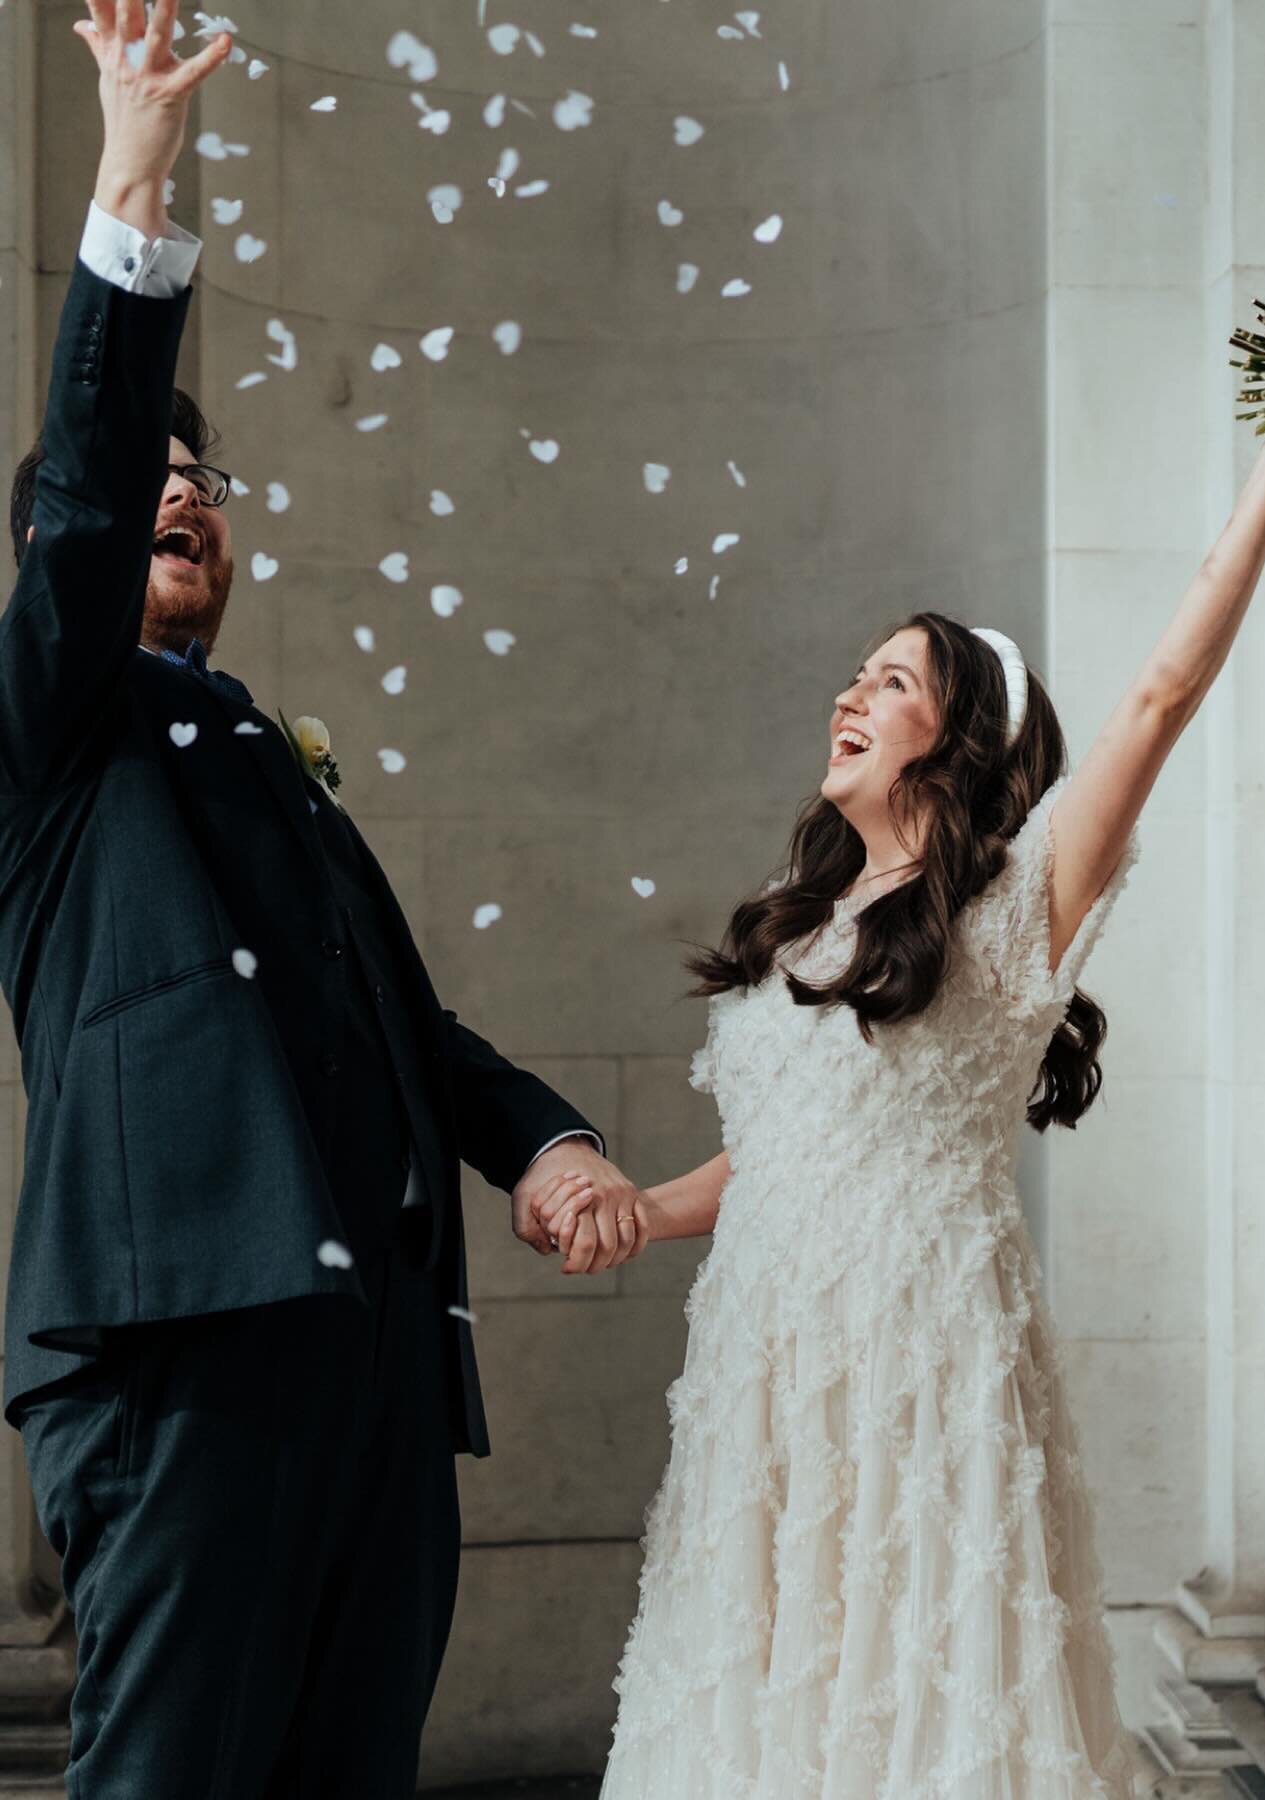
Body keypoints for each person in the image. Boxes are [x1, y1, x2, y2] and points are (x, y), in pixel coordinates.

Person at [535, 337, 1265, 1794]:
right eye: (855, 674)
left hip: (922, 1363)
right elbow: (789, 1154)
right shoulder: (808, 919)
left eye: (890, 681)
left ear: (957, 735)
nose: (851, 694)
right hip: (769, 1369)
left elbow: (1160, 698)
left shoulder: (1023, 902)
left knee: (919, 1704)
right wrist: (640, 1203)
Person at [0, 4, 646, 1792]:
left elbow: (407, 1033)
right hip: (185, 1345)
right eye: (155, 485)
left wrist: (551, 1145)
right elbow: (88, 485)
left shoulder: (279, 764)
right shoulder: (53, 730)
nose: (182, 498)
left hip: (377, 1374)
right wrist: (135, 180)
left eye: (209, 484)